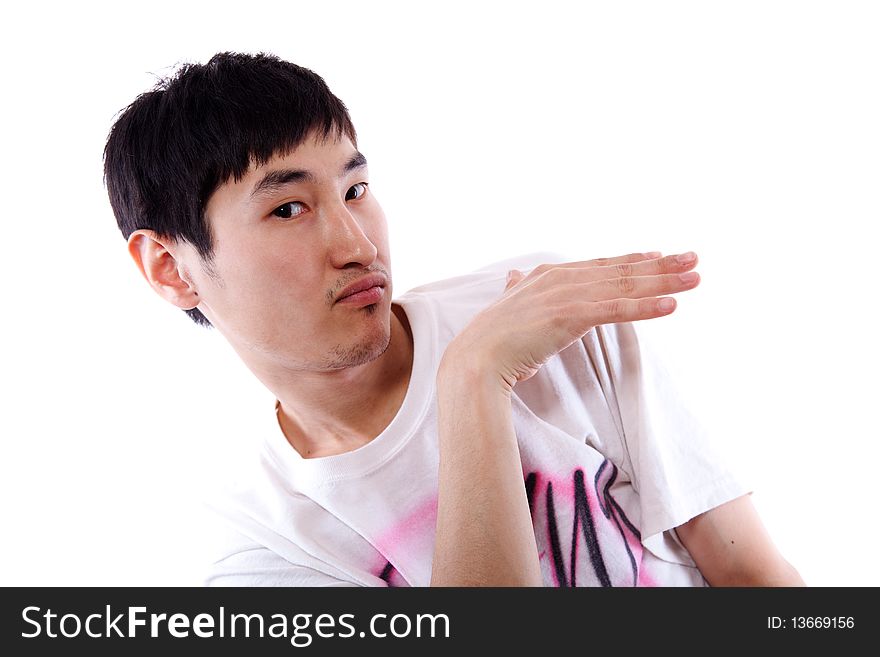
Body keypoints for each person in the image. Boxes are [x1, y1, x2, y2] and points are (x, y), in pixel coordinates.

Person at [104, 51, 804, 587]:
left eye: (357, 189)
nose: (357, 243)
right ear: (171, 268)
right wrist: (473, 379)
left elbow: (755, 578)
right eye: (289, 208)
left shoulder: (545, 310)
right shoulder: (263, 546)